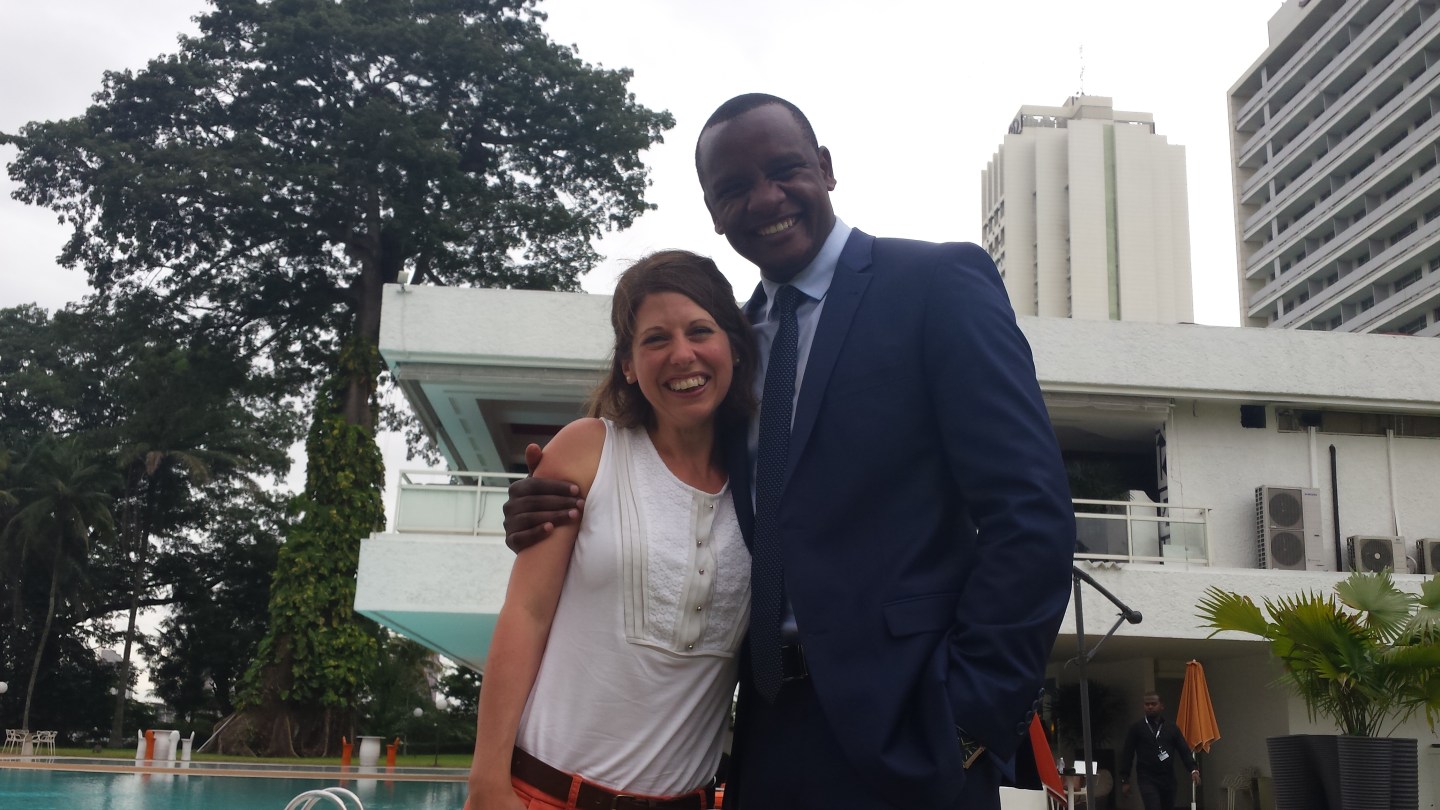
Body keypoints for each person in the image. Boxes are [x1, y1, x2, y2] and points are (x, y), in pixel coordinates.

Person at [502, 93, 1075, 810]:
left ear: (826, 168)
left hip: (914, 726)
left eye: (784, 170)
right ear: (714, 212)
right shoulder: (728, 348)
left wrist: (968, 722)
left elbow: (1031, 514)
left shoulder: (936, 285)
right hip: (768, 736)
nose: (766, 198)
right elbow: (675, 479)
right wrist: (554, 498)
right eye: (735, 188)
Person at [465, 250, 758, 810]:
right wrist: (487, 782)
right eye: (655, 339)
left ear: (735, 347)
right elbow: (526, 613)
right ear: (627, 364)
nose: (682, 354)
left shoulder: (760, 486)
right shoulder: (588, 449)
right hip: (543, 795)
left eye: (700, 330)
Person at [1118, 693, 1201, 810]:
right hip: (1147, 778)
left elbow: (1184, 750)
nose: (1150, 707)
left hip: (1168, 778)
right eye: (1147, 704)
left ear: (1161, 706)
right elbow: (1128, 754)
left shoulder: (1172, 728)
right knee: (1153, 806)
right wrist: (1125, 779)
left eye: (1153, 704)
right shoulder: (1136, 728)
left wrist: (1193, 769)